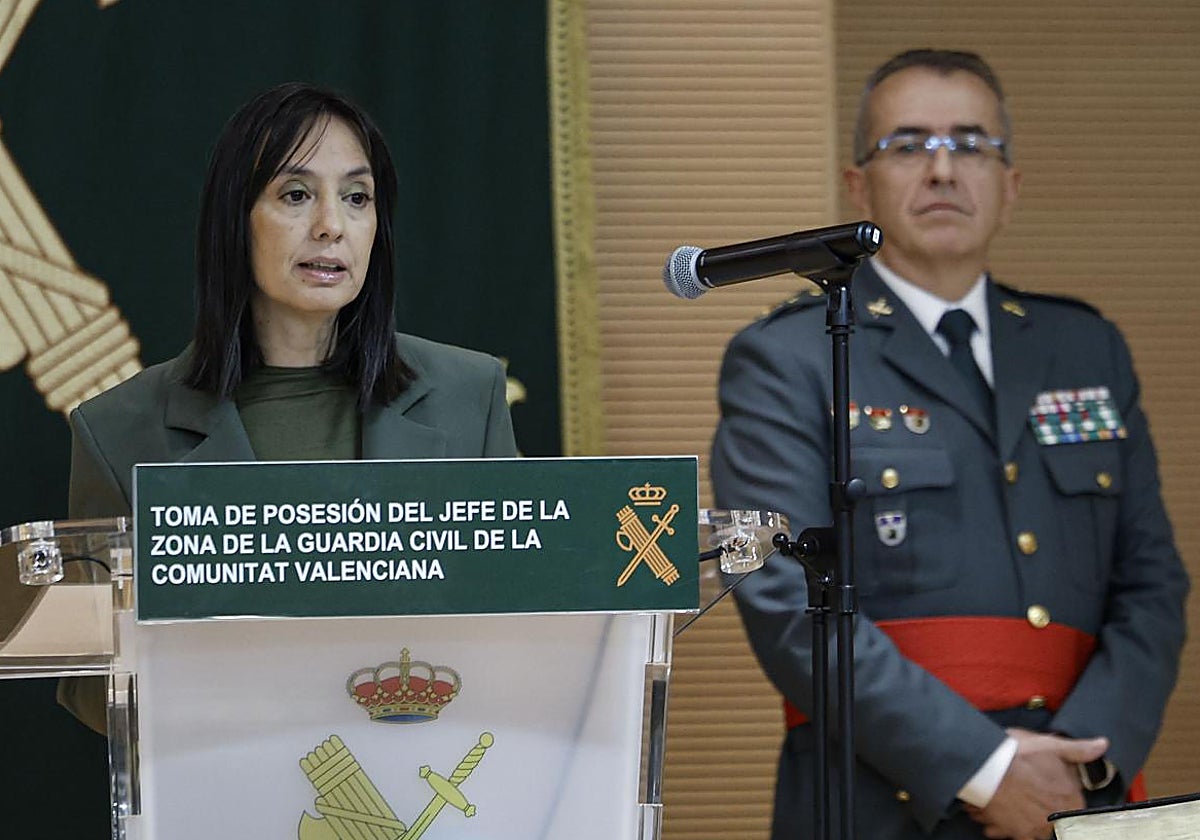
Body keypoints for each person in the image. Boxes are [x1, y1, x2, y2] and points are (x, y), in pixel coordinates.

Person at [711, 49, 1188, 840]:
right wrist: (986, 769)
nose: (942, 169)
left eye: (970, 145)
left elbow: (1153, 585)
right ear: (858, 185)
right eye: (907, 145)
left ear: (1011, 186)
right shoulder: (789, 358)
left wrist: (1081, 766)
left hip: (1081, 788)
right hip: (879, 798)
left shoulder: (1085, 348)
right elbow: (783, 600)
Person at [59, 82, 518, 733]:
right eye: (296, 195)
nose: (331, 225)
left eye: (357, 198)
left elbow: (522, 622)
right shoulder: (117, 431)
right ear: (235, 220)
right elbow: (92, 687)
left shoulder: (470, 394)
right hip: (226, 775)